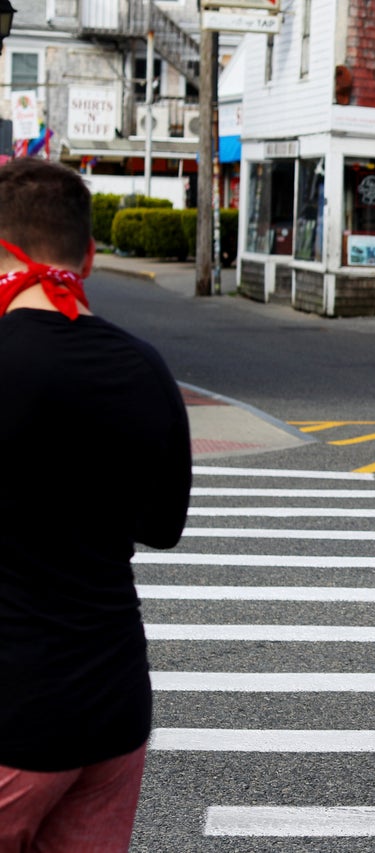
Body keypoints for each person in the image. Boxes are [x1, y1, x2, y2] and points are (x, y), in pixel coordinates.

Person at [0, 159, 193, 851]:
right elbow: (163, 525)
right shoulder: (143, 367)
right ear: (88, 254)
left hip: (15, 708)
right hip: (112, 704)